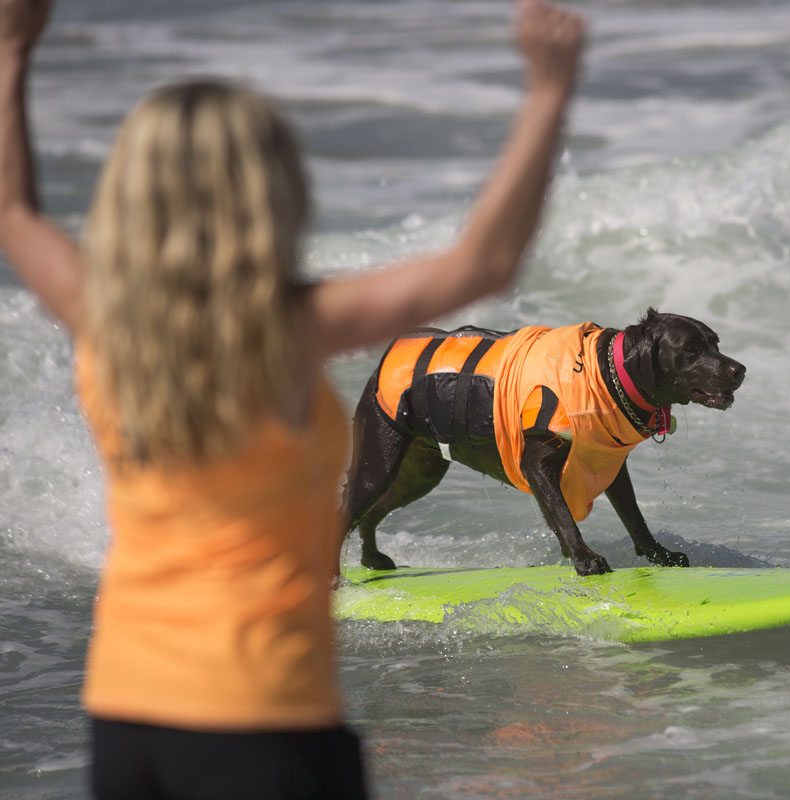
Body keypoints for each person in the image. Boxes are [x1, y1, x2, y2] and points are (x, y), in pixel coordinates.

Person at [0, 0, 586, 797]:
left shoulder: (106, 320)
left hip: (126, 711)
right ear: (269, 190)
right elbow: (484, 260)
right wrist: (550, 86)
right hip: (264, 717)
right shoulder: (285, 328)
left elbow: (13, 213)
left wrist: (10, 52)